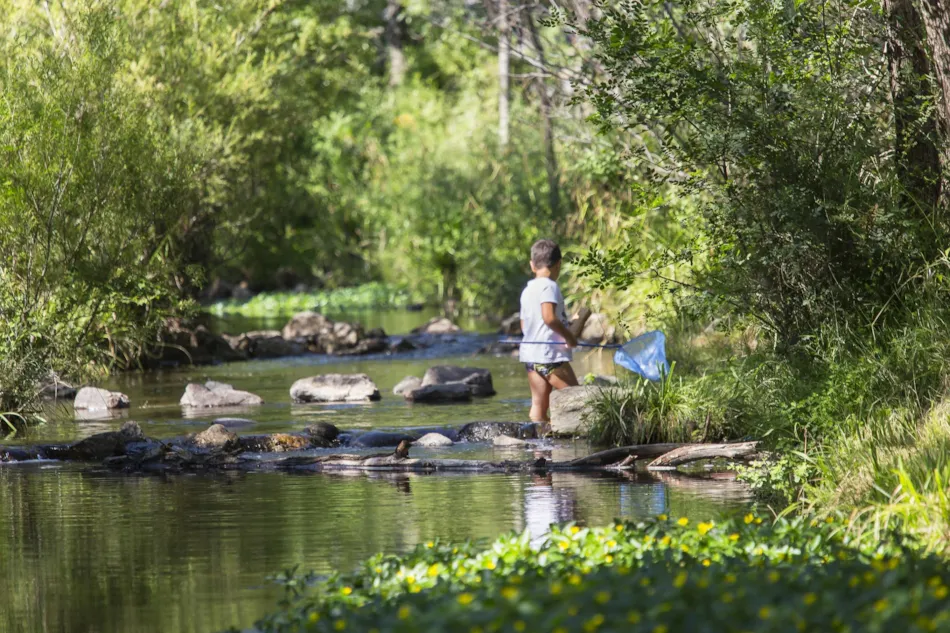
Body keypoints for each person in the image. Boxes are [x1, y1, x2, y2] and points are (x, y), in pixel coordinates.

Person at [519, 239, 579, 424]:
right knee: (580, 399)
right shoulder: (549, 286)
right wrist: (570, 337)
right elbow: (549, 317)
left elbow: (524, 325)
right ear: (558, 264)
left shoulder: (527, 290)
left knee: (538, 410)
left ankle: (539, 442)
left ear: (532, 265)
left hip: (531, 355)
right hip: (550, 356)